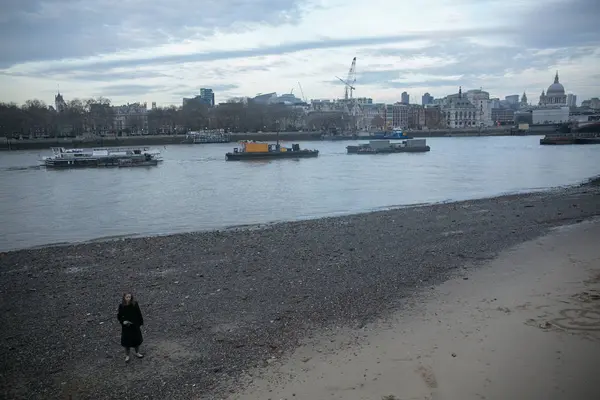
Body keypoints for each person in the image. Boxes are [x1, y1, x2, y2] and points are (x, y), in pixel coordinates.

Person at [117, 293, 144, 363]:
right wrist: (123, 322)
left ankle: (137, 352)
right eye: (127, 297)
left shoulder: (135, 304)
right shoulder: (121, 306)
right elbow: (119, 316)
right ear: (124, 298)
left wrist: (140, 323)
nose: (128, 298)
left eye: (129, 297)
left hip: (134, 326)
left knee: (136, 341)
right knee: (127, 342)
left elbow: (139, 313)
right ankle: (127, 356)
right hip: (126, 327)